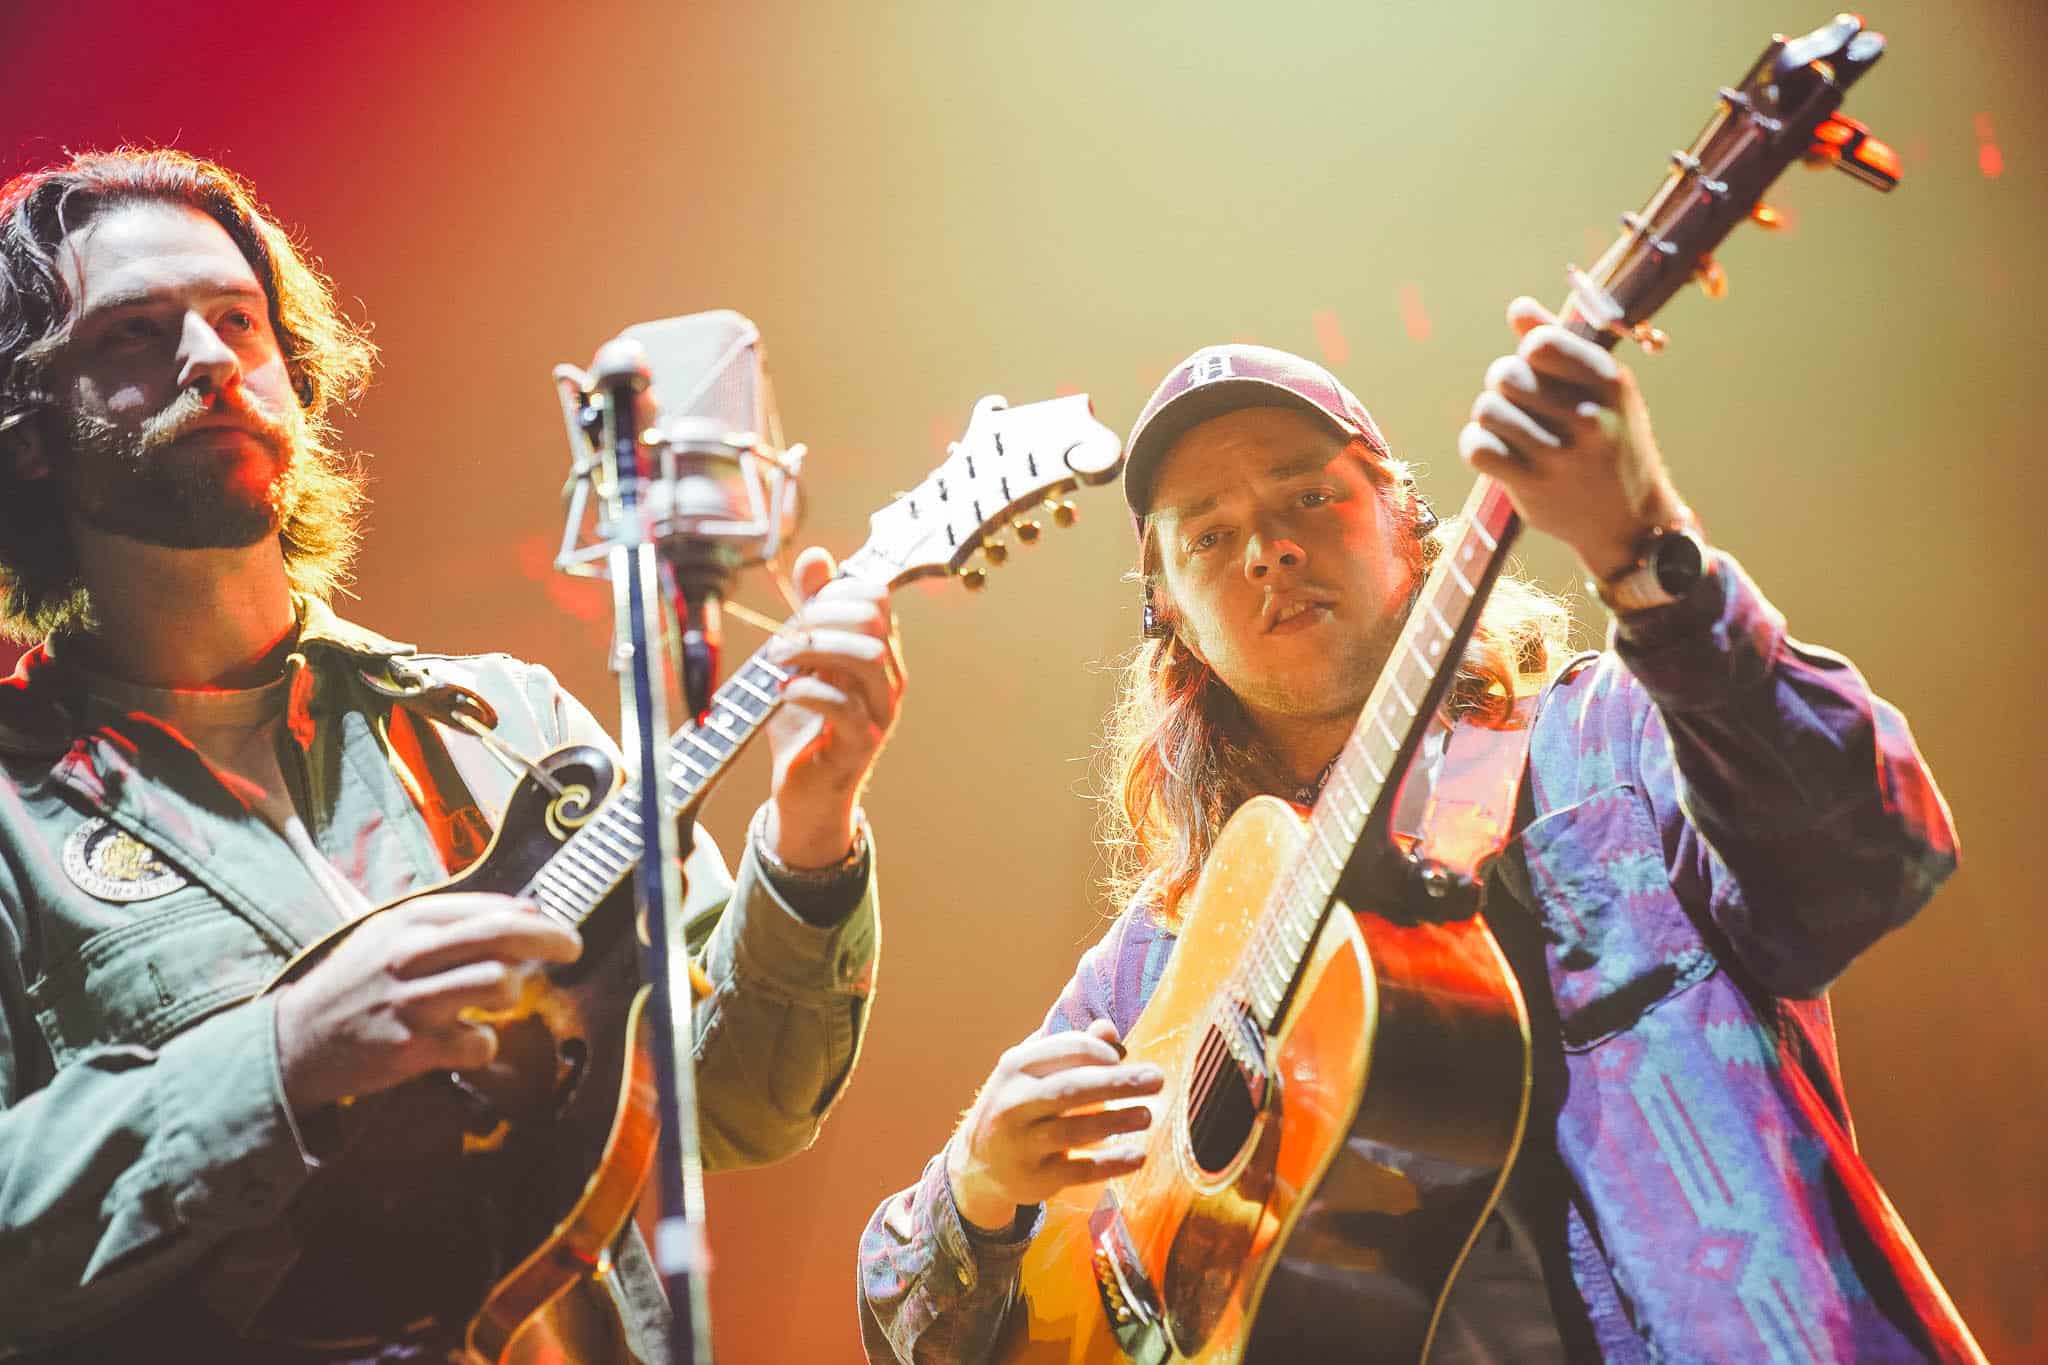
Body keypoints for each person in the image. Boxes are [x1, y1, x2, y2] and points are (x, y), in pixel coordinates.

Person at [858, 318, 1984, 1361]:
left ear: (1408, 522)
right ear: (1173, 620)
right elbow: (907, 1320)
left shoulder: (1597, 747)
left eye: (1306, 499)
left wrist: (1645, 549)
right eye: (1208, 536)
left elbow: (1869, 854)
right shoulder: (1155, 961)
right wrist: (980, 1181)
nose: (1264, 551)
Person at [0, 148, 904, 1363]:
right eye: (132, 335)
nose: (210, 359)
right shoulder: (17, 815)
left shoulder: (503, 728)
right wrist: (282, 1056)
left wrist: (811, 831)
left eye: (237, 319)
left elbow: (739, 1103)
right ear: (29, 437)